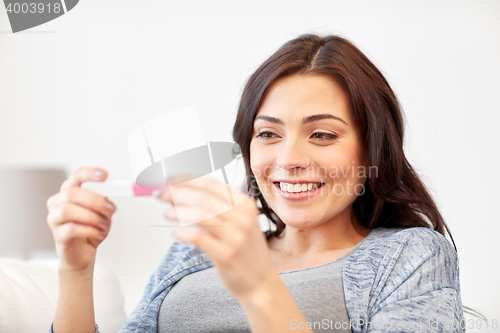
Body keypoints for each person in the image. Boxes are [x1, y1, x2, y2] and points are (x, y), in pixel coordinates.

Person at [47, 34, 465, 333]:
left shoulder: (410, 256)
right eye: (268, 134)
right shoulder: (195, 251)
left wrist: (259, 287)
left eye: (322, 134)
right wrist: (76, 271)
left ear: (373, 149)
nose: (289, 160)